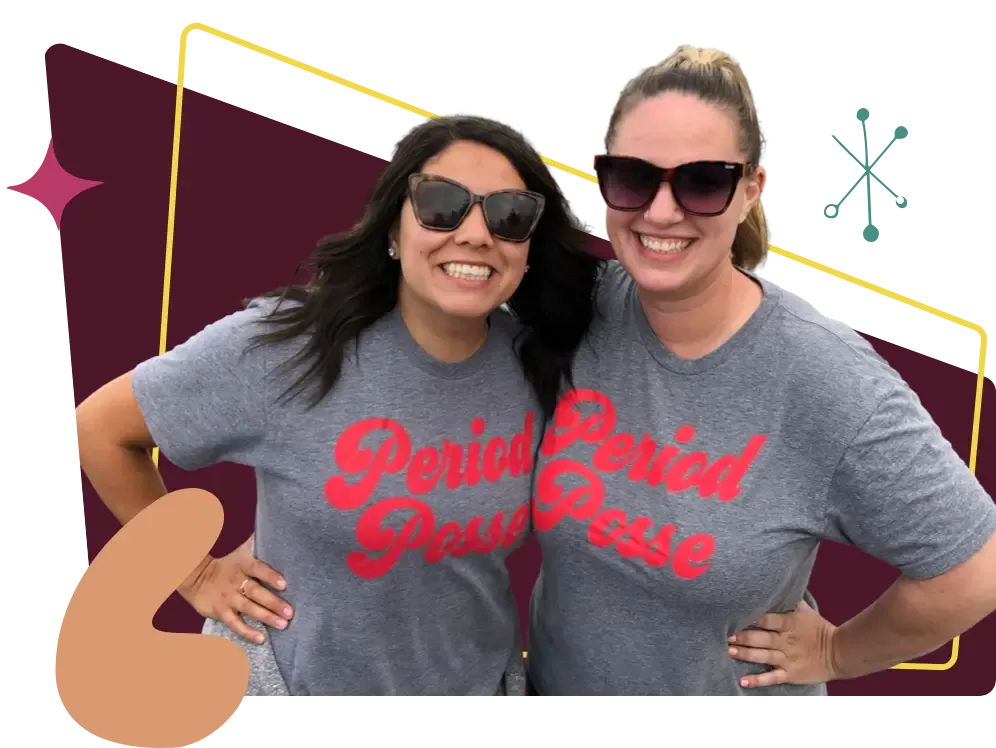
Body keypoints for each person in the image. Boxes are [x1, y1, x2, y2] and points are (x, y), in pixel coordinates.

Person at [71, 112, 602, 696]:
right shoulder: (290, 345)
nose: (476, 234)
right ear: (394, 229)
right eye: (441, 204)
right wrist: (194, 574)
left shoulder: (534, 359)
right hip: (293, 708)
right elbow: (97, 431)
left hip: (470, 708)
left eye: (509, 215)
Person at [522, 42, 996, 695]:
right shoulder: (578, 309)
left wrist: (838, 653)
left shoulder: (826, 377)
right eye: (633, 176)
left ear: (751, 190)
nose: (661, 211)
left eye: (703, 182)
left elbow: (974, 570)